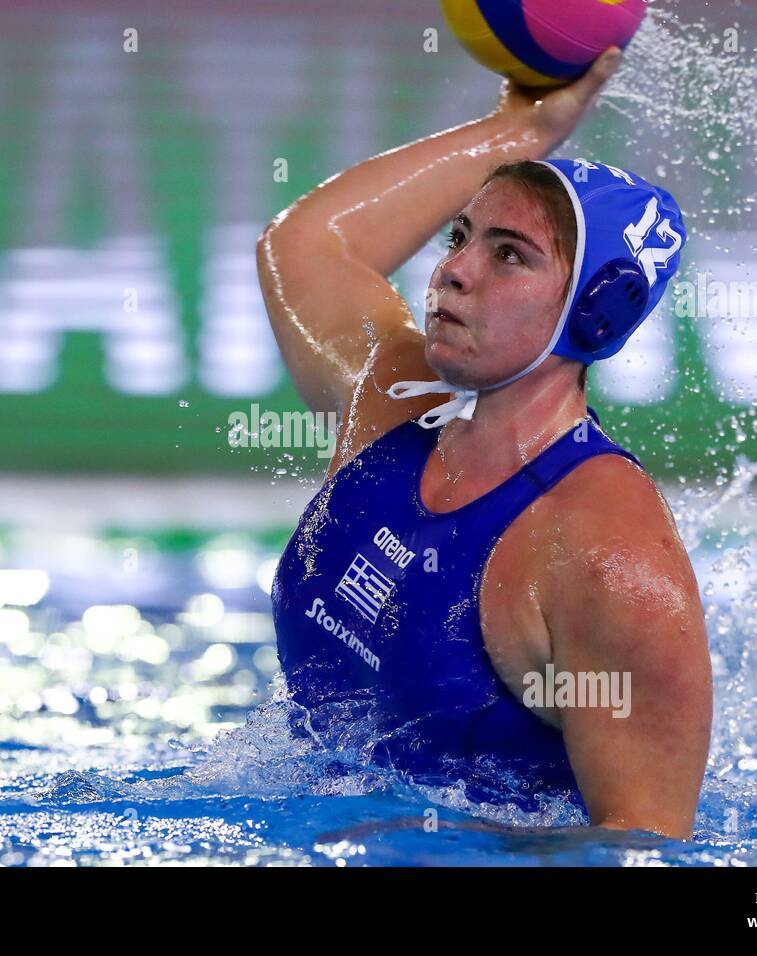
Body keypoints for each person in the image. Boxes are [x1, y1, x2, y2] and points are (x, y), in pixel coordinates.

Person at [258, 48, 712, 840]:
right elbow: (308, 243)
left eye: (509, 254)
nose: (451, 273)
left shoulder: (607, 557)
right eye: (460, 236)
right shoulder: (391, 403)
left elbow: (642, 849)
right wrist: (521, 128)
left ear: (597, 313)